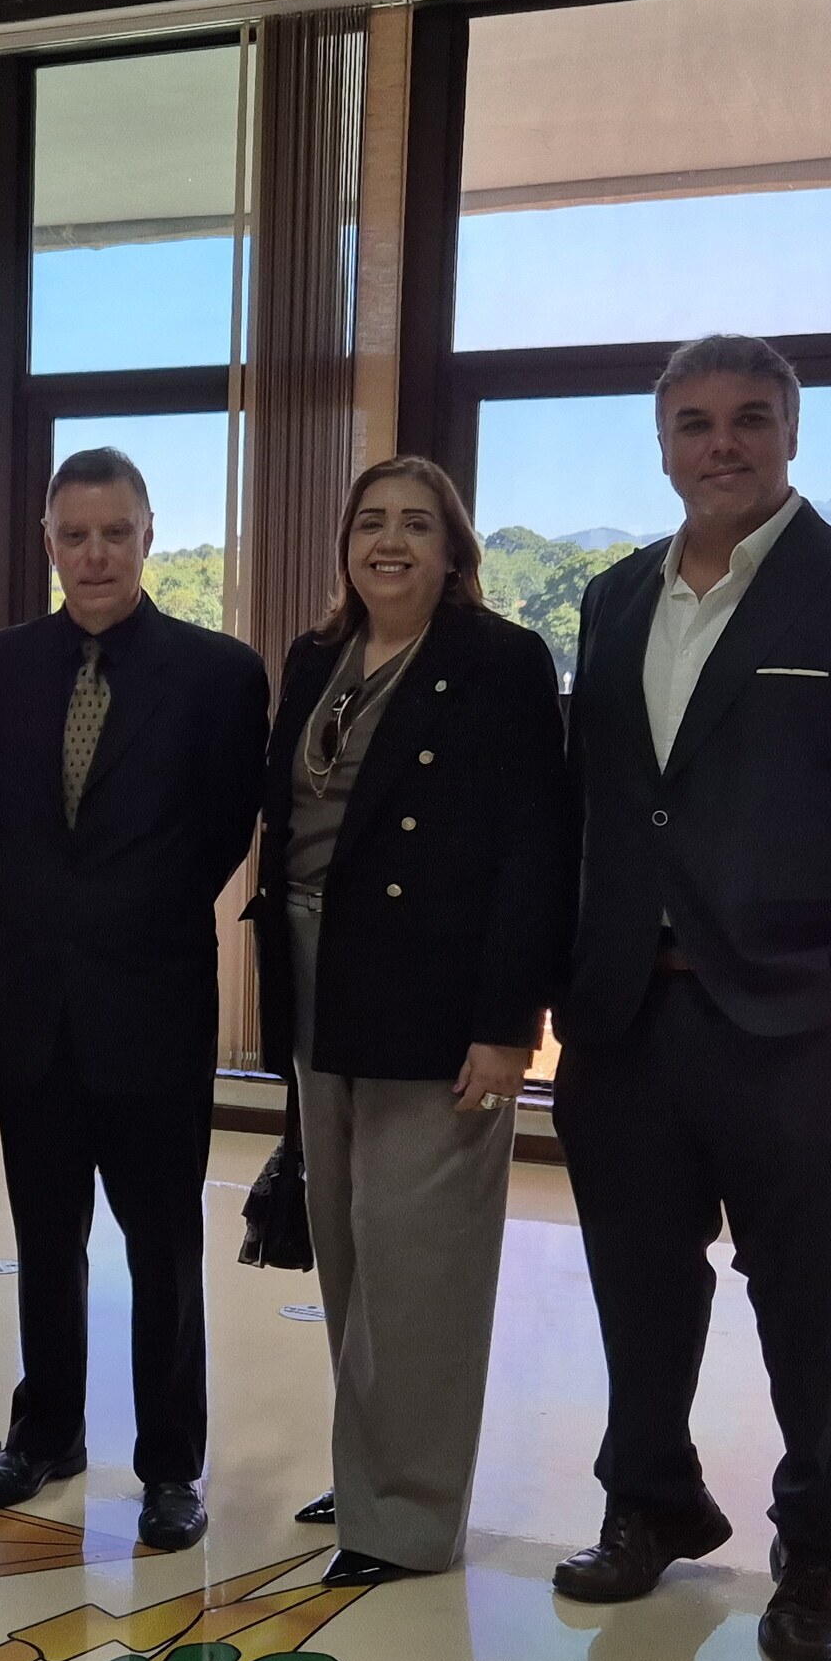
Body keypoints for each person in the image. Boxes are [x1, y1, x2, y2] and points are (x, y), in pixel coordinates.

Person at [550, 335, 831, 1661]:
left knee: (803, 1293)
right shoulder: (617, 598)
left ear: (790, 434)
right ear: (662, 445)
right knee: (637, 1282)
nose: (720, 443)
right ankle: (652, 1497)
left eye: (747, 420)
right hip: (626, 1011)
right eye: (693, 424)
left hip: (790, 1015)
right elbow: (603, 804)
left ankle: (817, 1549)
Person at [252, 455, 573, 1588]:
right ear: (345, 544)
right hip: (315, 981)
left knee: (421, 1260)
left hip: (438, 999)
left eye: (416, 526)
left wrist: (505, 1023)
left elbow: (535, 851)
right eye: (370, 523)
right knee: (345, 1243)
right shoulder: (315, 657)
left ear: (453, 551)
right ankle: (374, 1463)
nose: (389, 542)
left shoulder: (499, 662)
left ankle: (410, 1517)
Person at [0, 446, 270, 1551]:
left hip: (153, 1002)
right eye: (73, 535)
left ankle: (169, 1466)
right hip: (31, 1002)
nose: (94, 555)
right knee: (44, 1239)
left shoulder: (218, 673)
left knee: (159, 1249)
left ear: (148, 536)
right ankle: (44, 1433)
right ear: (47, 542)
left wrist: (123, 927)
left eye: (116, 533)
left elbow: (224, 833)